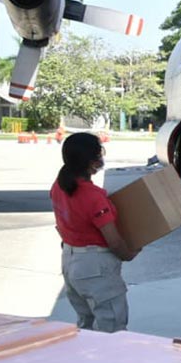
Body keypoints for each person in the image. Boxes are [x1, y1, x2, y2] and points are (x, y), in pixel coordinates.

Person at [49, 132, 140, 332]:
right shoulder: (93, 197)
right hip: (94, 267)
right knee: (111, 328)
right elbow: (114, 241)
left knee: (86, 325)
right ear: (91, 162)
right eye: (99, 154)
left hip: (70, 262)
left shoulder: (59, 186)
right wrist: (130, 253)